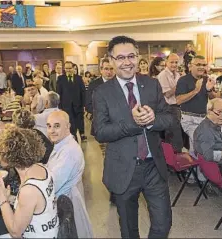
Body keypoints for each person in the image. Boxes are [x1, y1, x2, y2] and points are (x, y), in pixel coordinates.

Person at [93, 36, 173, 238]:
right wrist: (132, 123)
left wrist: (153, 119)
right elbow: (100, 132)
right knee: (129, 230)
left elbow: (170, 118)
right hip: (123, 169)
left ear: (138, 57)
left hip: (153, 166)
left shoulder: (152, 84)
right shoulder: (102, 92)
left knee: (163, 224)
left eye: (131, 56)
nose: (126, 62)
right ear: (111, 61)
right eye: (120, 57)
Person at [0, 126, 58, 238]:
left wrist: (1, 199)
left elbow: (15, 232)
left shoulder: (29, 190)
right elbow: (34, 205)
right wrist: (9, 198)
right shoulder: (41, 167)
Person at [46, 110, 93, 238]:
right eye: (49, 126)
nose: (51, 130)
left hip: (63, 207)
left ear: (68, 127)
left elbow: (51, 185)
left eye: (57, 126)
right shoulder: (61, 144)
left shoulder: (69, 152)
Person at [176, 55, 217, 157]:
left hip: (204, 118)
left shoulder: (206, 79)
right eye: (198, 64)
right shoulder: (183, 80)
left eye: (204, 65)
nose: (202, 67)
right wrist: (196, 91)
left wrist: (209, 90)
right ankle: (199, 169)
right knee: (200, 141)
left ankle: (196, 167)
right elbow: (178, 101)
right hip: (189, 119)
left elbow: (213, 98)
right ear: (191, 66)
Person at [158, 53, 183, 152]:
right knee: (172, 136)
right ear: (166, 63)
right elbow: (167, 94)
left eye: (176, 62)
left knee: (177, 135)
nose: (174, 64)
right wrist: (180, 84)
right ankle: (172, 162)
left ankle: (177, 159)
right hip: (168, 107)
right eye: (171, 62)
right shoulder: (162, 75)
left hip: (178, 106)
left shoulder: (177, 74)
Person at [57, 61, 86, 141]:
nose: (68, 70)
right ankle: (73, 136)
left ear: (73, 68)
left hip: (78, 104)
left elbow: (83, 92)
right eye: (66, 68)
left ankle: (82, 133)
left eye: (70, 68)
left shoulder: (78, 78)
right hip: (66, 105)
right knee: (70, 121)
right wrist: (60, 106)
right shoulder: (60, 79)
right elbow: (59, 93)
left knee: (80, 120)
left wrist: (84, 105)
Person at [86, 58, 115, 135]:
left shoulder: (119, 84)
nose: (109, 72)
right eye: (106, 69)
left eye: (111, 69)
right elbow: (88, 104)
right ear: (101, 70)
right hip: (100, 124)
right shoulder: (94, 85)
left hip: (117, 125)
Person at [194, 98, 222, 175]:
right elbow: (209, 155)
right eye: (219, 112)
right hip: (217, 168)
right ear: (209, 111)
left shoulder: (213, 124)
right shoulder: (206, 131)